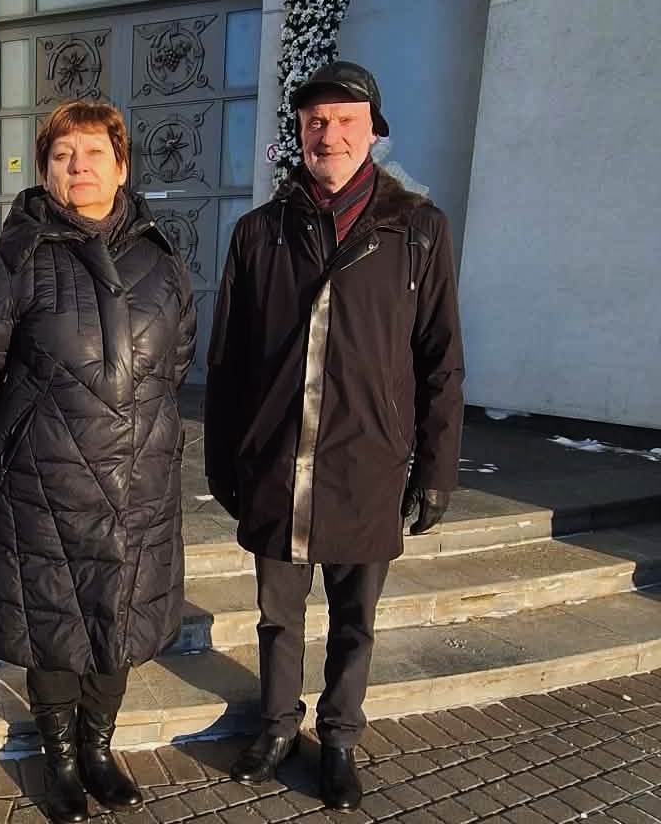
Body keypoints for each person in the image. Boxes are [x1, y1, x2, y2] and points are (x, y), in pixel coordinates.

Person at [204, 61, 465, 811]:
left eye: (346, 120)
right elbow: (227, 361)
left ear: (373, 131)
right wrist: (224, 460)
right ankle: (276, 726)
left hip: (369, 461)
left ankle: (341, 737)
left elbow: (441, 358)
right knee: (277, 616)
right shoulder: (260, 233)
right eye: (315, 121)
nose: (329, 134)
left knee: (355, 620)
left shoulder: (417, 230)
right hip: (278, 461)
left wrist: (436, 469)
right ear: (299, 132)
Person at [0, 101, 196, 824]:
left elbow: (177, 356)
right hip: (47, 481)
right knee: (54, 625)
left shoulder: (161, 258)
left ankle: (98, 749)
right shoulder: (15, 258)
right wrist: (22, 433)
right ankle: (58, 757)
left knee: (119, 622)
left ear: (122, 167)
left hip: (140, 480)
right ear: (44, 171)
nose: (78, 167)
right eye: (62, 155)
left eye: (93, 153)